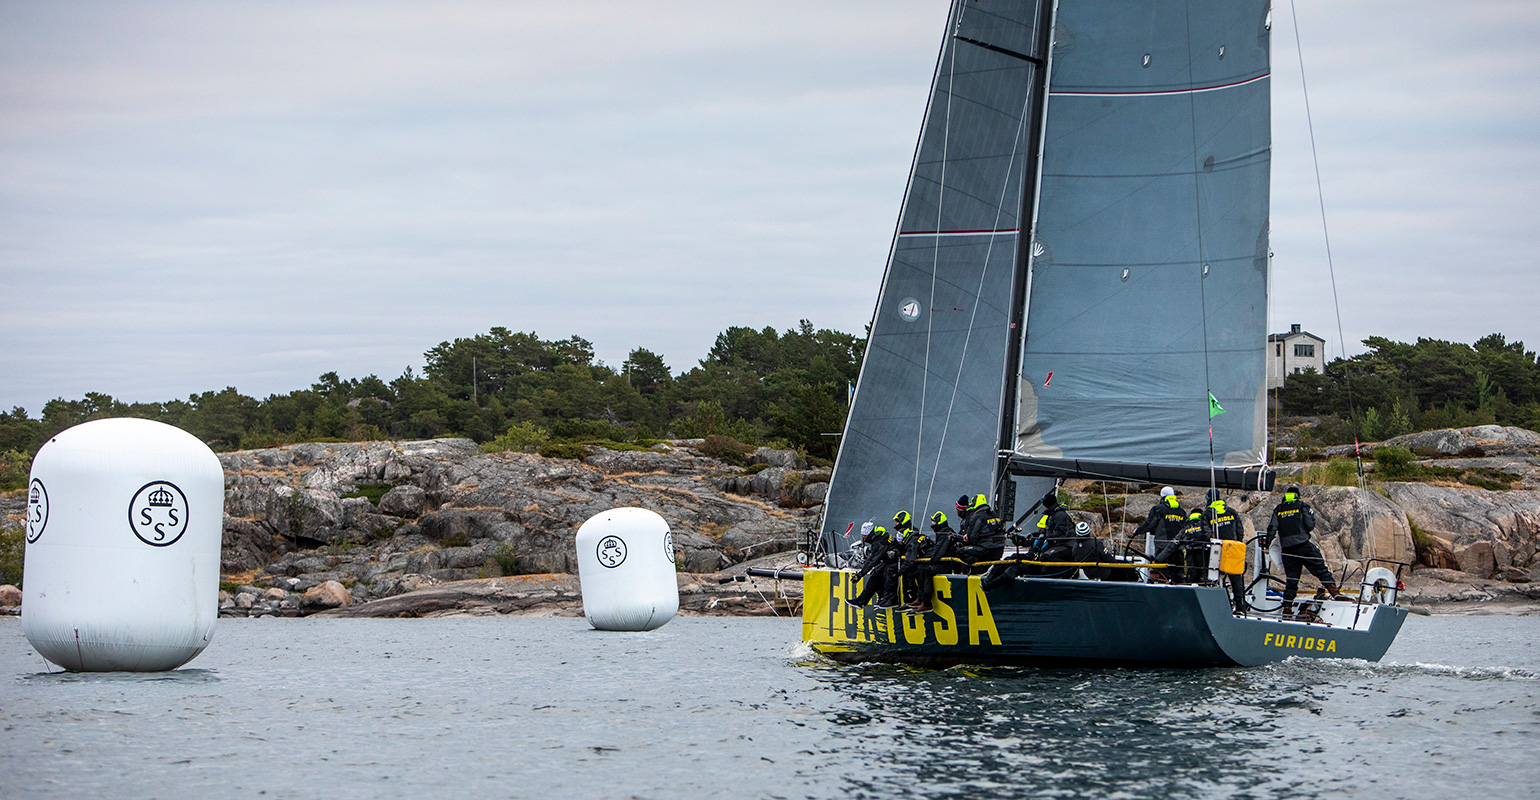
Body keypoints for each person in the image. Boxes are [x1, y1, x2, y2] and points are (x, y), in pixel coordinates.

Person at [1265, 486, 1345, 613]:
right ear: (1297, 495)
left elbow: (1272, 528)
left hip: (1287, 549)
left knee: (1292, 579)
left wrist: (1266, 545)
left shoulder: (1279, 509)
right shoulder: (1302, 505)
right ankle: (1335, 593)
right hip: (1303, 545)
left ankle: (1287, 607)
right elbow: (1309, 525)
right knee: (1320, 569)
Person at [1203, 488, 1247, 613]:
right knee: (1237, 581)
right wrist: (1237, 543)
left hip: (1217, 550)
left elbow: (1206, 533)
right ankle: (1240, 607)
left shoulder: (1207, 514)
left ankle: (1220, 608)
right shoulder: (1231, 512)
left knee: (1216, 580)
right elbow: (1239, 530)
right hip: (1232, 548)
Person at [1134, 487, 1189, 561]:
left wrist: (1137, 531)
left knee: (1162, 570)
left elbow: (1149, 524)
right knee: (1177, 570)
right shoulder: (1181, 512)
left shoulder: (1159, 509)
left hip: (1163, 548)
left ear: (1162, 496)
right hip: (1178, 548)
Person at [954, 493, 1005, 572]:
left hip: (987, 550)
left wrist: (964, 537)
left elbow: (971, 538)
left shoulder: (977, 516)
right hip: (999, 551)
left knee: (960, 552)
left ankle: (979, 566)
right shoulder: (994, 514)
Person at [1156, 510, 1209, 583]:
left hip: (1190, 556)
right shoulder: (1206, 527)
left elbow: (1171, 546)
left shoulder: (1184, 530)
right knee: (1206, 577)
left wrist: (1158, 559)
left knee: (1194, 578)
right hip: (1205, 555)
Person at [852, 526, 901, 606]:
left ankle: (891, 599)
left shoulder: (879, 542)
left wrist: (861, 574)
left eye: (865, 535)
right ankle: (867, 600)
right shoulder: (880, 538)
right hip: (888, 560)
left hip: (896, 561)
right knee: (876, 572)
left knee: (888, 571)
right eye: (862, 535)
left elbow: (873, 559)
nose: (863, 537)